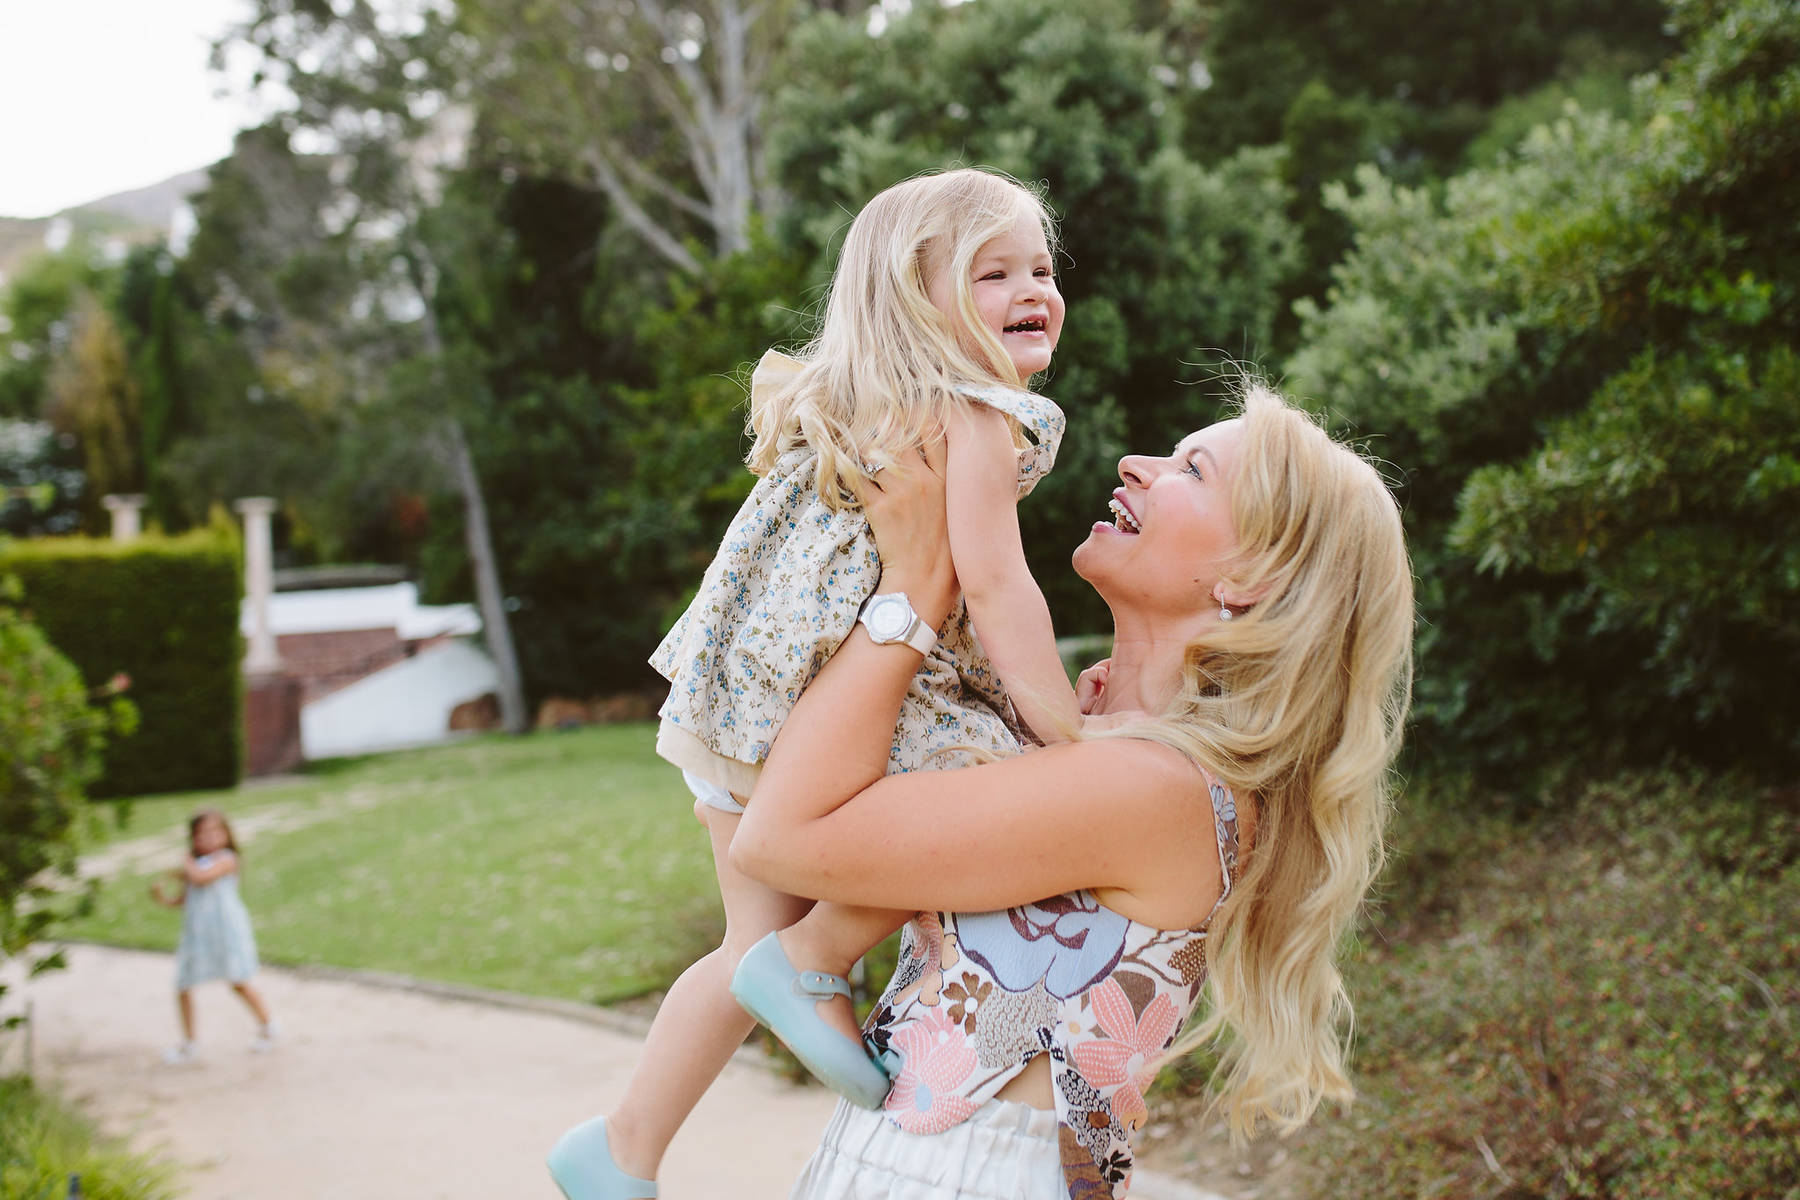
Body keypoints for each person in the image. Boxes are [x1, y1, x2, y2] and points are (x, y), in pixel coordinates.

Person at [730, 383, 1415, 1199]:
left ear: (1252, 575)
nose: (1136, 464)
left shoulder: (1157, 786)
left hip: (968, 1174)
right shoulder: (1101, 742)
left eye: (1191, 470)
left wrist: (913, 585)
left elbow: (783, 841)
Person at [549, 167, 1081, 1200]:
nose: (1034, 289)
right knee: (998, 786)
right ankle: (821, 955)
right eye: (993, 272)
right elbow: (1002, 591)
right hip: (837, 717)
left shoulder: (850, 406)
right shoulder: (970, 416)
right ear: (910, 300)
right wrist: (1061, 731)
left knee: (747, 942)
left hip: (731, 713)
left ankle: (622, 1148)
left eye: (1042, 269)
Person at [149, 809, 277, 1063]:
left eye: (215, 831)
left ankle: (268, 1025)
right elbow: (186, 899)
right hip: (199, 936)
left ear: (226, 834)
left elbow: (201, 877)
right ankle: (189, 1043)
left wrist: (185, 861)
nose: (209, 837)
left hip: (225, 933)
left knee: (238, 981)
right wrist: (161, 898)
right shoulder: (194, 866)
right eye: (202, 833)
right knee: (183, 985)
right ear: (194, 837)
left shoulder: (227, 859)